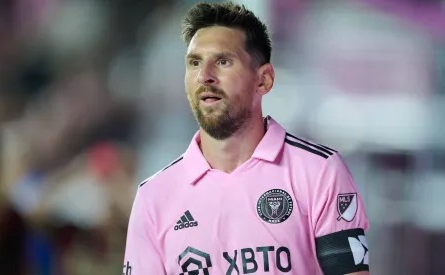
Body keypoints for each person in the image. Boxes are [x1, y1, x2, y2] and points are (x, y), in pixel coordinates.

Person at [123, 2, 370, 275]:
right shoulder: (154, 196)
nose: (205, 77)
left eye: (223, 62)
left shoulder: (319, 172)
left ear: (263, 80)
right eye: (195, 63)